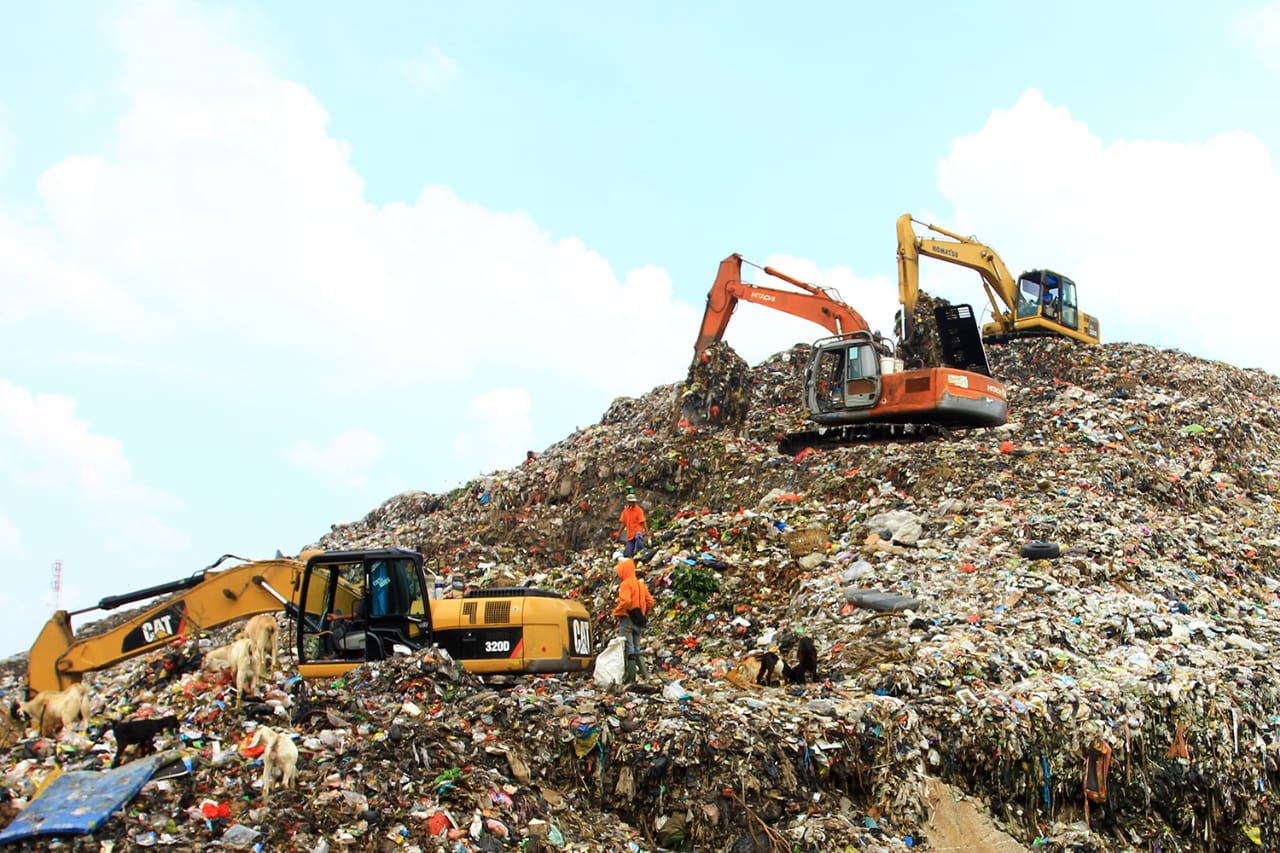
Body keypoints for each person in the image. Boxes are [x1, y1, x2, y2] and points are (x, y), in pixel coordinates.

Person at [611, 557, 655, 684]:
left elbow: (626, 601)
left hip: (627, 619)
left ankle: (631, 678)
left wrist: (617, 612)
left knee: (628, 649)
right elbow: (650, 602)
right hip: (639, 620)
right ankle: (646, 677)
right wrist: (642, 612)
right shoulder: (640, 585)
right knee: (637, 648)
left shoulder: (626, 584)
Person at [617, 493, 649, 558]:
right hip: (630, 534)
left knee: (638, 538)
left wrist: (647, 532)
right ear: (628, 502)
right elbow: (623, 523)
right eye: (630, 502)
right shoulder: (625, 511)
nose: (632, 504)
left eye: (633, 502)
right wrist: (618, 533)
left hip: (638, 531)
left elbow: (643, 522)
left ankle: (641, 552)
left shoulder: (639, 510)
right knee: (628, 553)